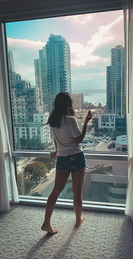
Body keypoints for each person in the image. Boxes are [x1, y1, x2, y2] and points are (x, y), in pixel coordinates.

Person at [41, 92, 92, 234]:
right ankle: (77, 220)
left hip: (62, 158)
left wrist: (57, 152)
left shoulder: (52, 120)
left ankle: (46, 223)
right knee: (77, 192)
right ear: (68, 104)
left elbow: (55, 140)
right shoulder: (70, 120)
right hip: (76, 157)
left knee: (55, 191)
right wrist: (87, 122)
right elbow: (78, 139)